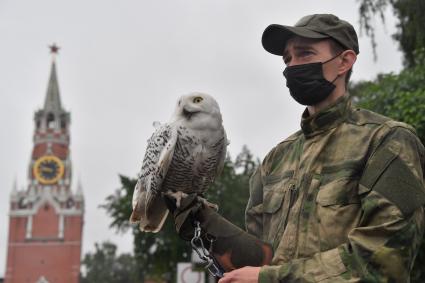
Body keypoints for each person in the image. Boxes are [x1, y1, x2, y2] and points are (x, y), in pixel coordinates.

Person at [168, 14, 425, 283]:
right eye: (287, 59)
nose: (292, 66)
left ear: (344, 61)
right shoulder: (276, 160)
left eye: (305, 54)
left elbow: (384, 261)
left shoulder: (388, 142)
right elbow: (263, 260)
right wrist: (202, 219)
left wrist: (270, 279)